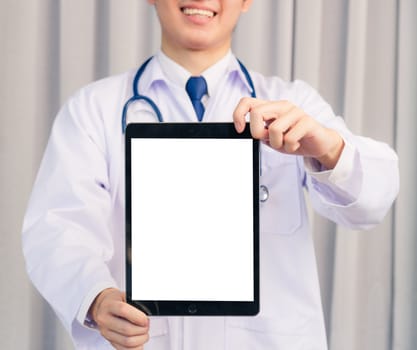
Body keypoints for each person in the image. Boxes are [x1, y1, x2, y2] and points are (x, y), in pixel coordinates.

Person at [22, 0, 399, 349]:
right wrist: (96, 297)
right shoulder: (94, 111)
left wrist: (328, 149)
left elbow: (372, 201)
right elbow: (58, 230)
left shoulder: (294, 105)